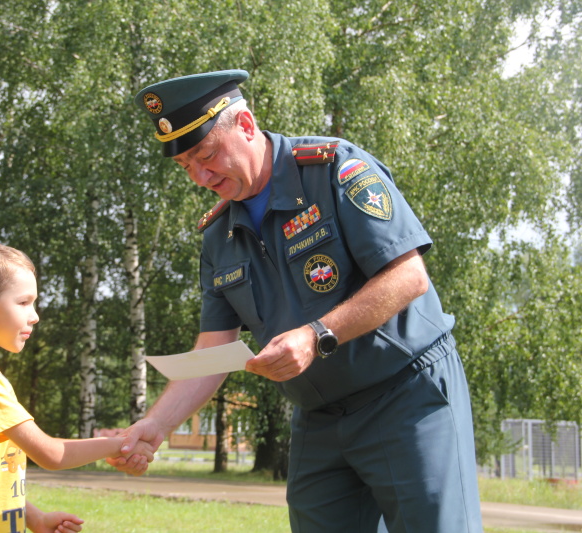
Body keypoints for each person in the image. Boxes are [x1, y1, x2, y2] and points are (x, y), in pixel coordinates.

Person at [110, 70, 484, 532]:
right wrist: (156, 425)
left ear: (245, 125)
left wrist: (317, 336)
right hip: (319, 418)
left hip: (405, 395)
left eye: (206, 155)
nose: (200, 177)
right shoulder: (217, 236)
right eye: (185, 166)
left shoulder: (334, 170)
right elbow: (214, 351)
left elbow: (408, 277)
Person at [0, 241, 153, 533]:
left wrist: (34, 518)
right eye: (23, 302)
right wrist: (121, 444)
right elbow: (51, 454)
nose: (35, 315)